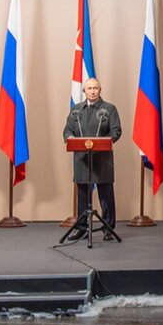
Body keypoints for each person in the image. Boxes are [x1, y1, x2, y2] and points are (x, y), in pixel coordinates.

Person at [62, 78, 123, 239]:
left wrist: (104, 142)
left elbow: (116, 131)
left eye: (95, 88)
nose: (92, 91)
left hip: (102, 159)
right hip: (82, 159)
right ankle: (81, 228)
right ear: (84, 91)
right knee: (83, 195)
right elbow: (67, 130)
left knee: (106, 195)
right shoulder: (76, 110)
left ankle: (108, 229)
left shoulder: (109, 109)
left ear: (100, 90)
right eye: (89, 88)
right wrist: (69, 138)